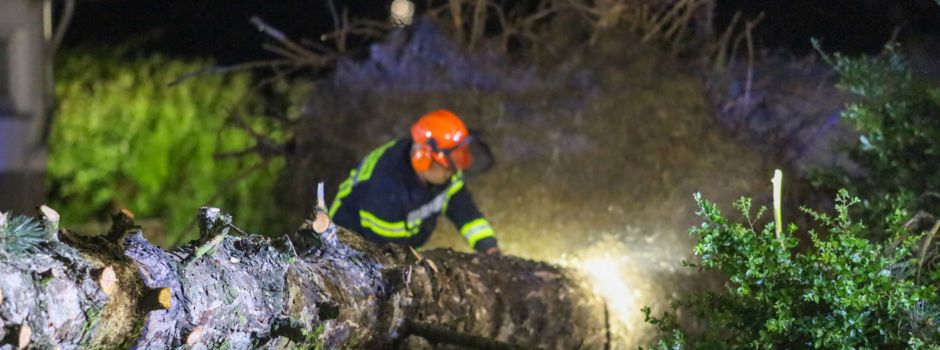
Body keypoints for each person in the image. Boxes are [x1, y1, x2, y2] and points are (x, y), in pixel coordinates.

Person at [329, 109, 500, 255]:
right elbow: (392, 253)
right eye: (452, 159)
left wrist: (489, 247)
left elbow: (467, 214)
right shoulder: (385, 193)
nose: (456, 168)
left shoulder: (445, 173)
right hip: (349, 249)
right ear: (422, 159)